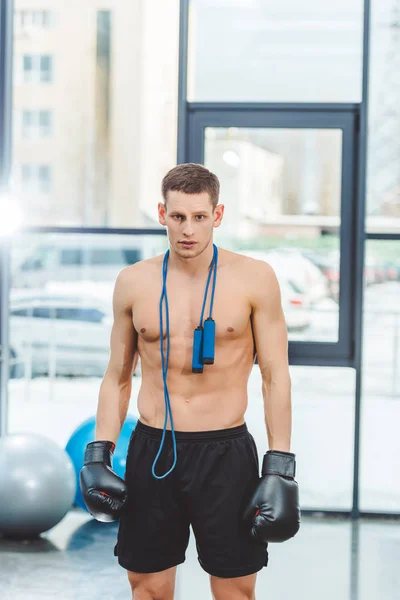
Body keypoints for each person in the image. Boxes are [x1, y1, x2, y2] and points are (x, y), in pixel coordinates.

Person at [80, 163, 300, 600]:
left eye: (199, 217)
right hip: (153, 448)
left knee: (235, 590)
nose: (188, 230)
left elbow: (276, 376)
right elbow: (117, 375)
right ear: (162, 214)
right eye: (178, 217)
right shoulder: (133, 282)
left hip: (226, 454)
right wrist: (98, 453)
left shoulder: (255, 278)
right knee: (148, 589)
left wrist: (281, 466)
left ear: (217, 216)